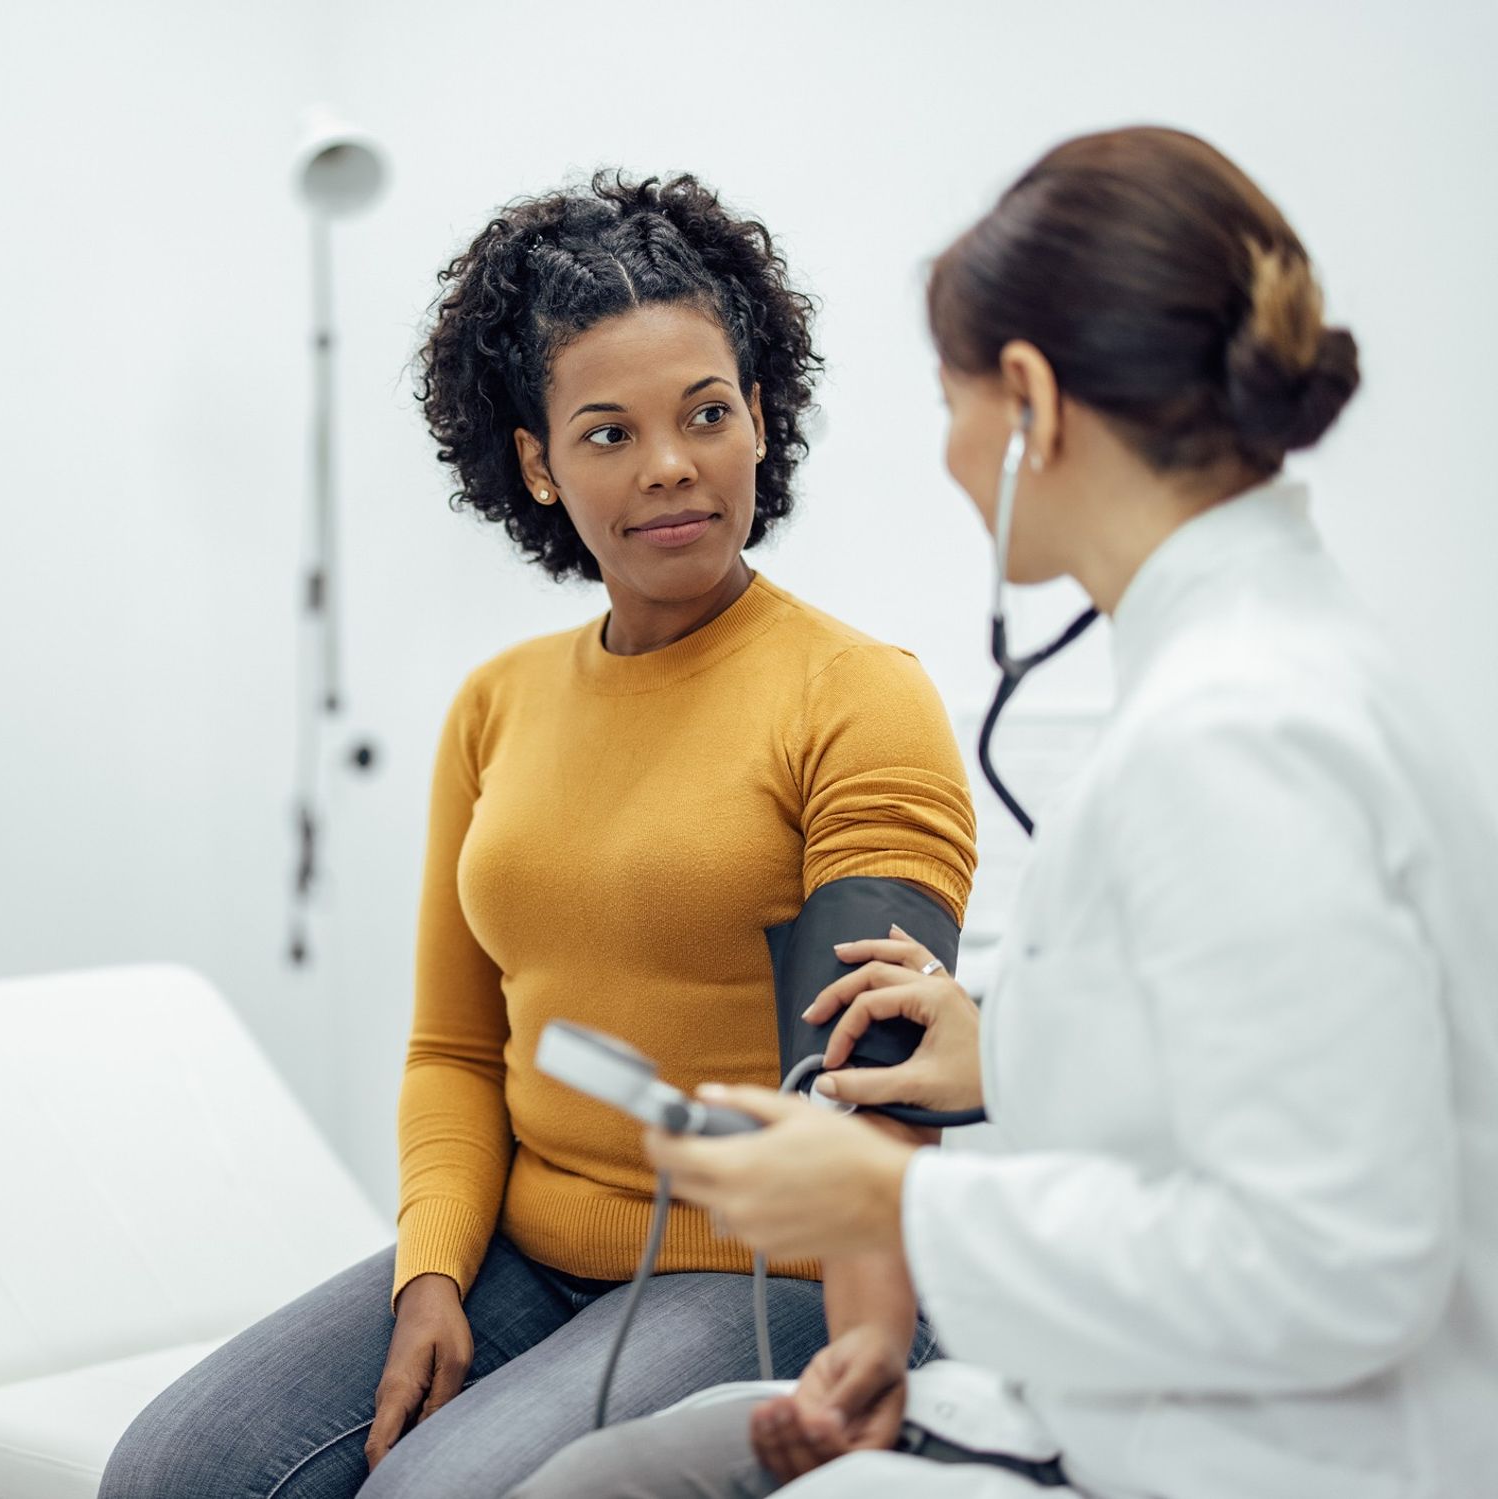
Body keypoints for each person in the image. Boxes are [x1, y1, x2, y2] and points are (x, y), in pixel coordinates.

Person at [512, 126, 1498, 1499]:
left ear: (1029, 399)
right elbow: (1273, 1076)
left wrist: (894, 1202)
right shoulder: (1273, 673)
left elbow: (1339, 1261)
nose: (954, 454)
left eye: (952, 399)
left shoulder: (1236, 735)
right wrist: (1013, 1054)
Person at [96, 173, 979, 1499]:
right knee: (177, 1469)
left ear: (759, 419)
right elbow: (454, 1046)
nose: (671, 464)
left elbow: (867, 1097)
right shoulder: (497, 706)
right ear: (537, 464)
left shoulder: (856, 696)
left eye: (707, 413)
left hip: (763, 1267)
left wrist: (870, 1345)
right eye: (609, 431)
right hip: (527, 1251)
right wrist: (431, 1274)